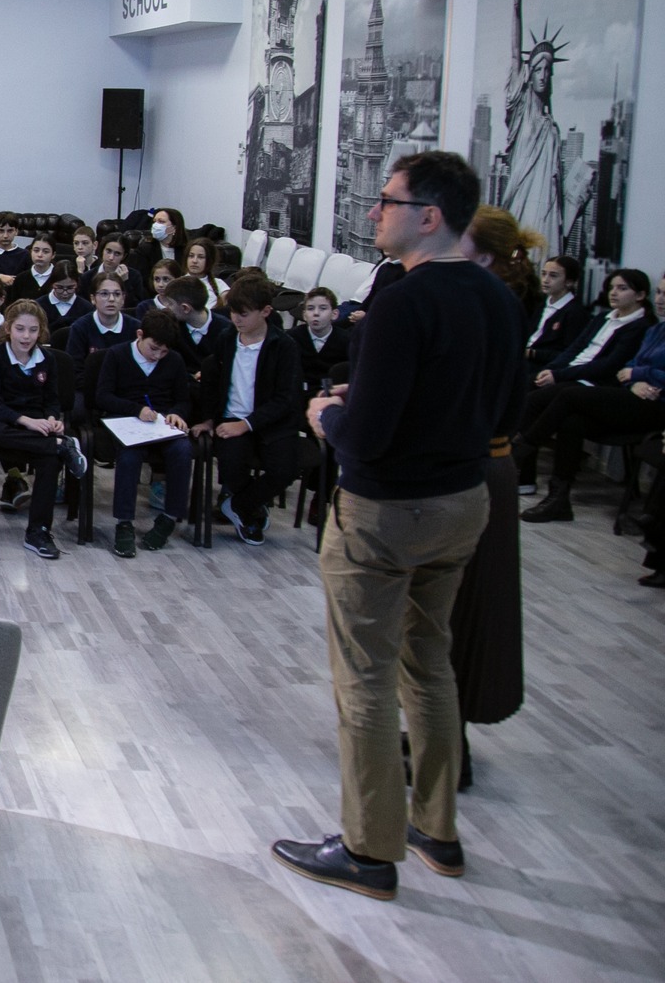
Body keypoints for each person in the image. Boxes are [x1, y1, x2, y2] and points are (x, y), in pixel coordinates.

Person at [276, 151, 523, 902]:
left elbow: (367, 438)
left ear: (429, 215)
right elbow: (503, 411)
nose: (374, 211)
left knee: (365, 679)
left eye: (388, 201)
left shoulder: (402, 301)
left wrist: (327, 415)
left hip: (386, 513)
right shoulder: (496, 296)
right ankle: (437, 831)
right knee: (430, 661)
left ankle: (367, 849)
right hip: (462, 502)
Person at [448, 205, 536, 785]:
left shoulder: (491, 309)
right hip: (486, 466)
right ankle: (441, 733)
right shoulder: (498, 304)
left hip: (477, 470)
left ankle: (448, 747)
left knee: (461, 612)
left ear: (481, 254)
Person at [519, 273, 665, 528]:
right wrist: (635, 381)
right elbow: (628, 368)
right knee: (572, 421)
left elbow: (629, 368)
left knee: (568, 394)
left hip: (657, 405)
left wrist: (638, 375)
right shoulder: (656, 330)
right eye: (660, 292)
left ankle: (521, 450)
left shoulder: (644, 325)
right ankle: (558, 499)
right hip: (636, 394)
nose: (661, 299)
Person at [193, 275, 302, 544]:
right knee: (231, 464)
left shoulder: (284, 346)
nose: (236, 319)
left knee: (286, 468)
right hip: (231, 417)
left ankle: (239, 505)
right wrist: (209, 419)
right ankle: (249, 510)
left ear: (266, 311)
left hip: (272, 421)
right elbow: (213, 381)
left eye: (243, 314)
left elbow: (285, 398)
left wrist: (247, 424)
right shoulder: (226, 338)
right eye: (232, 312)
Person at [0, 300, 89, 559]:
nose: (26, 336)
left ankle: (38, 531)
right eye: (20, 329)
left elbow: (52, 400)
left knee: (50, 460)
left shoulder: (47, 359)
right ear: (8, 329)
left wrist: (52, 418)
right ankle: (60, 445)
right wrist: (26, 421)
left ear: (41, 332)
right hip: (6, 422)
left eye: (33, 330)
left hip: (37, 426)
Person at [93, 309, 193, 557]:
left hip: (161, 425)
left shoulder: (175, 361)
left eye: (164, 352)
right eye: (154, 348)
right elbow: (103, 396)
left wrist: (176, 413)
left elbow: (183, 399)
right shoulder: (117, 355)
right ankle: (124, 522)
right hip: (128, 423)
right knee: (129, 456)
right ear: (140, 335)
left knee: (183, 450)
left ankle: (169, 517)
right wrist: (135, 409)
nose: (157, 356)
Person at [525, 253, 586, 368]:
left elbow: (569, 353)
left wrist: (533, 353)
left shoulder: (574, 313)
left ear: (569, 282)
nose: (545, 280)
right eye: (544, 274)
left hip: (543, 366)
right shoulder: (542, 304)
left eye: (553, 276)